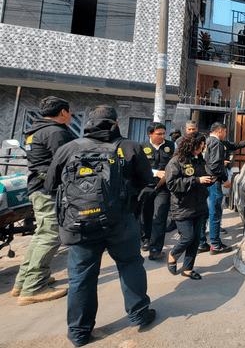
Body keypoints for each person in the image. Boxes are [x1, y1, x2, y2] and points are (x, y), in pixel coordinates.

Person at [44, 105, 155, 347]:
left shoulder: (69, 148)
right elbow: (147, 181)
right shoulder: (130, 146)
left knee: (82, 277)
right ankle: (138, 314)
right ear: (116, 123)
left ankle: (79, 332)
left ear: (87, 123)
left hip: (79, 223)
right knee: (130, 265)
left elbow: (51, 185)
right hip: (122, 222)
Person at [11, 96, 74, 305]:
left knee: (41, 234)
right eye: (69, 112)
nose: (71, 116)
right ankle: (33, 287)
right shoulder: (56, 132)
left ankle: (23, 281)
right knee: (50, 235)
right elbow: (67, 163)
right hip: (48, 191)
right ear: (63, 112)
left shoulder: (37, 131)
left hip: (38, 187)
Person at [199, 122, 245, 253]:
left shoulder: (207, 142)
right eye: (225, 132)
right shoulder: (216, 143)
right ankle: (215, 244)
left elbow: (209, 161)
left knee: (204, 213)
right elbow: (215, 166)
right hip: (214, 182)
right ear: (220, 131)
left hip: (206, 181)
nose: (225, 134)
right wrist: (225, 179)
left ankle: (201, 242)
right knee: (215, 213)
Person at [165, 132, 214, 280]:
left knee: (195, 239)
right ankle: (173, 254)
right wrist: (197, 180)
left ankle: (187, 269)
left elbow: (203, 177)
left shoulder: (200, 160)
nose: (201, 149)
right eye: (199, 147)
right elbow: (172, 184)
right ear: (190, 145)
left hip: (199, 205)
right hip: (182, 206)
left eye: (202, 147)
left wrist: (210, 180)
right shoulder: (176, 161)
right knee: (187, 237)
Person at [138, 122, 175, 260]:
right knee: (145, 215)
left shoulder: (170, 146)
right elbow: (139, 167)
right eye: (159, 134)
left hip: (163, 187)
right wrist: (155, 172)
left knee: (160, 217)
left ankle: (155, 249)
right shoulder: (142, 147)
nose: (162, 136)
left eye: (164, 133)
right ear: (150, 134)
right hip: (146, 186)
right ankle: (145, 239)